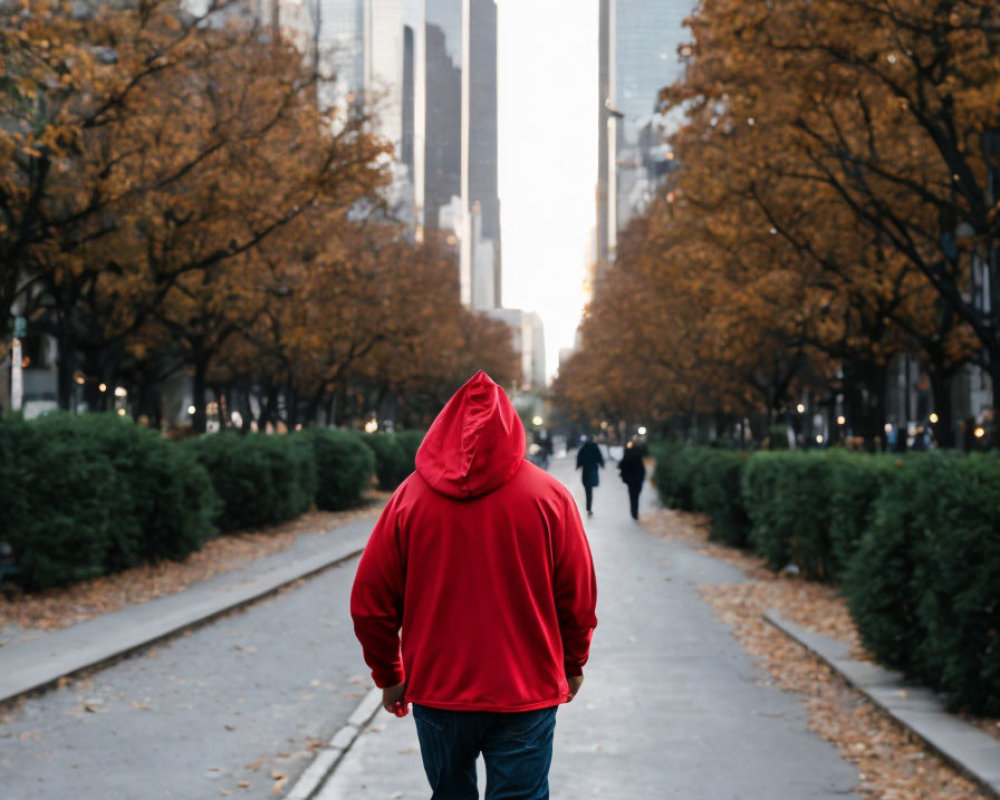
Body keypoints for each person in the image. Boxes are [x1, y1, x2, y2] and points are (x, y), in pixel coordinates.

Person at [350, 371, 598, 800]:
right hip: (526, 690)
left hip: (439, 690)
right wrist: (573, 662)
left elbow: (370, 601)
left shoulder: (408, 500)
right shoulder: (550, 498)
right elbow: (578, 598)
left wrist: (389, 674)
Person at [575, 435, 605, 516]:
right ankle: (589, 507)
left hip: (586, 472)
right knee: (590, 491)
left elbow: (579, 458)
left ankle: (588, 507)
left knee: (588, 490)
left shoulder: (584, 449)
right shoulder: (595, 448)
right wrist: (602, 464)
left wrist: (578, 465)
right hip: (592, 471)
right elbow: (599, 457)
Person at [617, 441, 647, 520]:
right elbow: (641, 469)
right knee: (636, 496)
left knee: (632, 496)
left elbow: (621, 466)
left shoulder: (627, 456)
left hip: (631, 480)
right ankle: (635, 512)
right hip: (637, 480)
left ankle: (634, 512)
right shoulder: (638, 456)